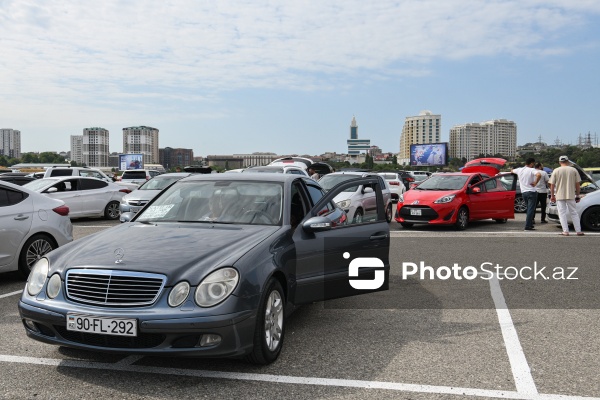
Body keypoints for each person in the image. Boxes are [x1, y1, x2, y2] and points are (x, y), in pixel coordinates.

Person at [548, 156, 583, 236]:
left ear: (560, 162)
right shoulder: (573, 170)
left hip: (560, 195)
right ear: (567, 161)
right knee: (574, 212)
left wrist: (552, 195)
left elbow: (552, 185)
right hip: (571, 194)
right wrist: (577, 195)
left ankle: (565, 231)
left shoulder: (556, 170)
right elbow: (577, 184)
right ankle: (578, 231)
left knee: (561, 213)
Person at [512, 158, 541, 231]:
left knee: (528, 209)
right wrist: (535, 182)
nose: (533, 165)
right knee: (531, 209)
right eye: (533, 164)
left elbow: (512, 171)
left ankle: (530, 224)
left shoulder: (519, 170)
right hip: (532, 192)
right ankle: (528, 226)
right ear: (531, 163)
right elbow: (539, 174)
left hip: (524, 192)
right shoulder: (532, 170)